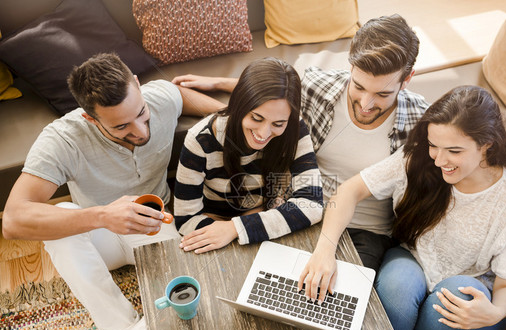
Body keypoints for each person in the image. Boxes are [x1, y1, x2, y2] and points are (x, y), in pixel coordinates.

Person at [1, 53, 225, 330]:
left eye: (141, 114)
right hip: (98, 235)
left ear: (137, 84)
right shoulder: (63, 138)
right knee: (61, 215)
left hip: (155, 227)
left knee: (190, 287)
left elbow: (181, 95)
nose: (139, 130)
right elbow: (13, 220)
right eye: (121, 126)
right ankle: (122, 329)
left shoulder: (157, 97)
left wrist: (226, 116)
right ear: (91, 119)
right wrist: (104, 216)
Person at [298, 85, 506, 330]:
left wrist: (496, 311)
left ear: (487, 144)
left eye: (454, 151)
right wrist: (324, 251)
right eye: (434, 145)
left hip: (470, 304)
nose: (438, 159)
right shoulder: (418, 158)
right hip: (412, 261)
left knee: (455, 295)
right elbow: (349, 191)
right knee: (397, 290)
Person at [173, 14, 429, 271]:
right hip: (289, 219)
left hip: (359, 230)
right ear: (350, 68)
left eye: (382, 94)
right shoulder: (319, 88)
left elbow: (309, 204)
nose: (365, 104)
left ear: (406, 80)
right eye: (359, 87)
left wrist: (238, 227)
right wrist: (217, 83)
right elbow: (272, 89)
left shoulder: (421, 121)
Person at [174, 57, 323, 253]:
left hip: (260, 217)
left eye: (278, 124)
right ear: (239, 105)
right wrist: (230, 229)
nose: (263, 134)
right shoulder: (200, 140)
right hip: (217, 222)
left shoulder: (294, 128)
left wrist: (235, 228)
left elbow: (312, 204)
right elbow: (186, 221)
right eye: (256, 118)